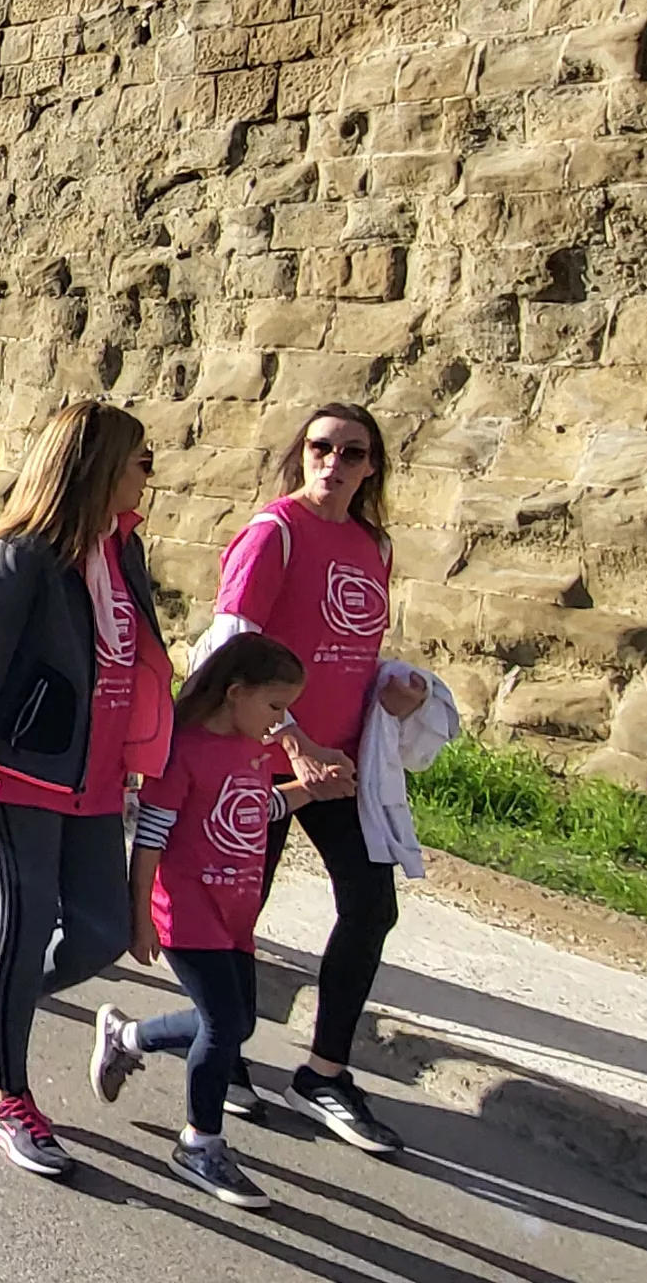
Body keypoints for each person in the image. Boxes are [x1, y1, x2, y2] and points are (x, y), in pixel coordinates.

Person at [0, 401, 174, 1178]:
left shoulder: (124, 550)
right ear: (99, 466)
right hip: (22, 772)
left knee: (102, 932)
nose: (150, 473)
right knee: (27, 921)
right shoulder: (24, 553)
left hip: (99, 779)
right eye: (141, 460)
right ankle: (6, 1098)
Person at [203, 402, 432, 1151]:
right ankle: (220, 1052)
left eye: (354, 452)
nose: (335, 462)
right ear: (300, 454)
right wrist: (289, 736)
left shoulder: (374, 545)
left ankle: (324, 1073)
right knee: (240, 912)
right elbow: (231, 656)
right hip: (262, 757)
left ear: (373, 468)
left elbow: (352, 653)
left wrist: (392, 695)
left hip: (340, 759)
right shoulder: (274, 535)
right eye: (321, 447)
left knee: (371, 906)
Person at [92, 633, 316, 1211]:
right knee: (222, 1026)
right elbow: (149, 840)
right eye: (274, 706)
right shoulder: (182, 752)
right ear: (235, 693)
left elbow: (254, 808)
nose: (280, 721)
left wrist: (309, 792)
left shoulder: (254, 750)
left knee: (237, 1026)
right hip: (186, 910)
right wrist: (140, 917)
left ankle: (127, 1038)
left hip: (235, 912)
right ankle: (200, 1141)